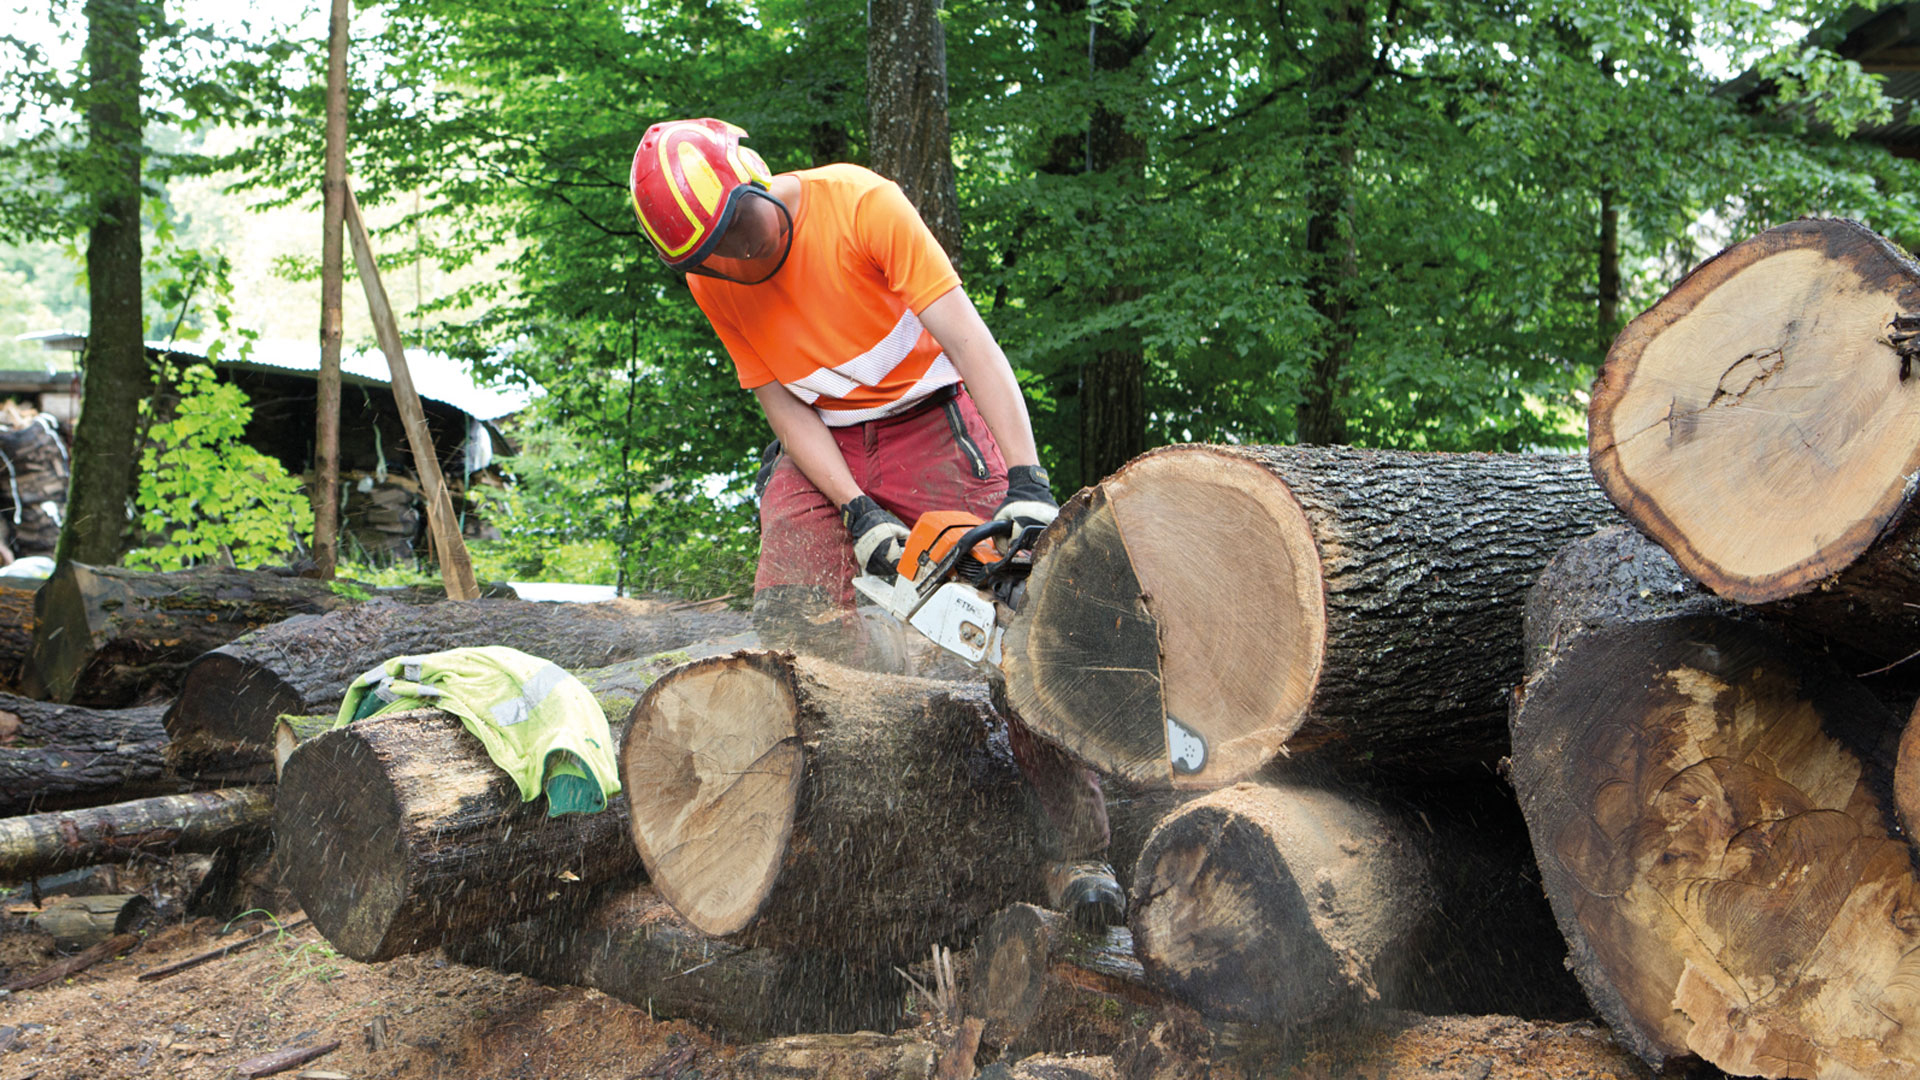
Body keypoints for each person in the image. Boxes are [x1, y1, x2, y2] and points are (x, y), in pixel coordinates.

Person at [629, 117, 1123, 927]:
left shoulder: (860, 205)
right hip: (825, 443)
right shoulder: (709, 277)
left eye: (737, 228)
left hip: (934, 417)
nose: (732, 256)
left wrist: (1027, 481)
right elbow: (781, 402)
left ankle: (1079, 849)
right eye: (707, 251)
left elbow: (970, 341)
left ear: (753, 178)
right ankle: (831, 830)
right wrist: (855, 508)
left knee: (1010, 617)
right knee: (795, 624)